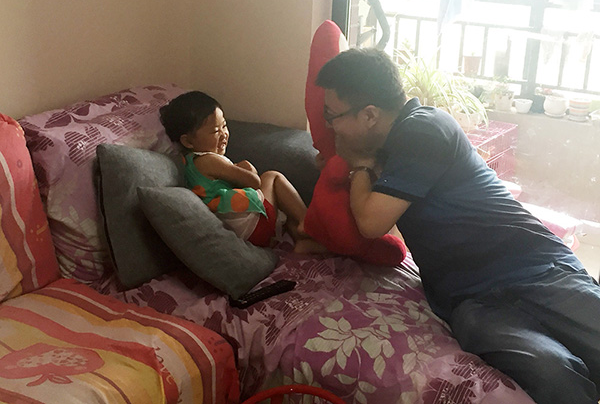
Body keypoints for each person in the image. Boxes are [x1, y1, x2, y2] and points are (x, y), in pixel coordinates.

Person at [315, 48, 600, 404]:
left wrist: (357, 163)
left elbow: (371, 223)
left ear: (370, 114)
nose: (330, 127)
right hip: (472, 301)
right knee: (553, 372)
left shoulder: (424, 129)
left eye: (332, 115)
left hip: (536, 267)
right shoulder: (387, 148)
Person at [160, 91, 311, 249]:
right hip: (252, 226)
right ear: (188, 141)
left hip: (241, 230)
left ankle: (303, 243)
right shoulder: (209, 160)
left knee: (285, 210)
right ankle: (308, 222)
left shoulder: (190, 164)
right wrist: (247, 167)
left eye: (224, 126)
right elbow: (254, 182)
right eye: (215, 131)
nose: (224, 134)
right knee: (272, 177)